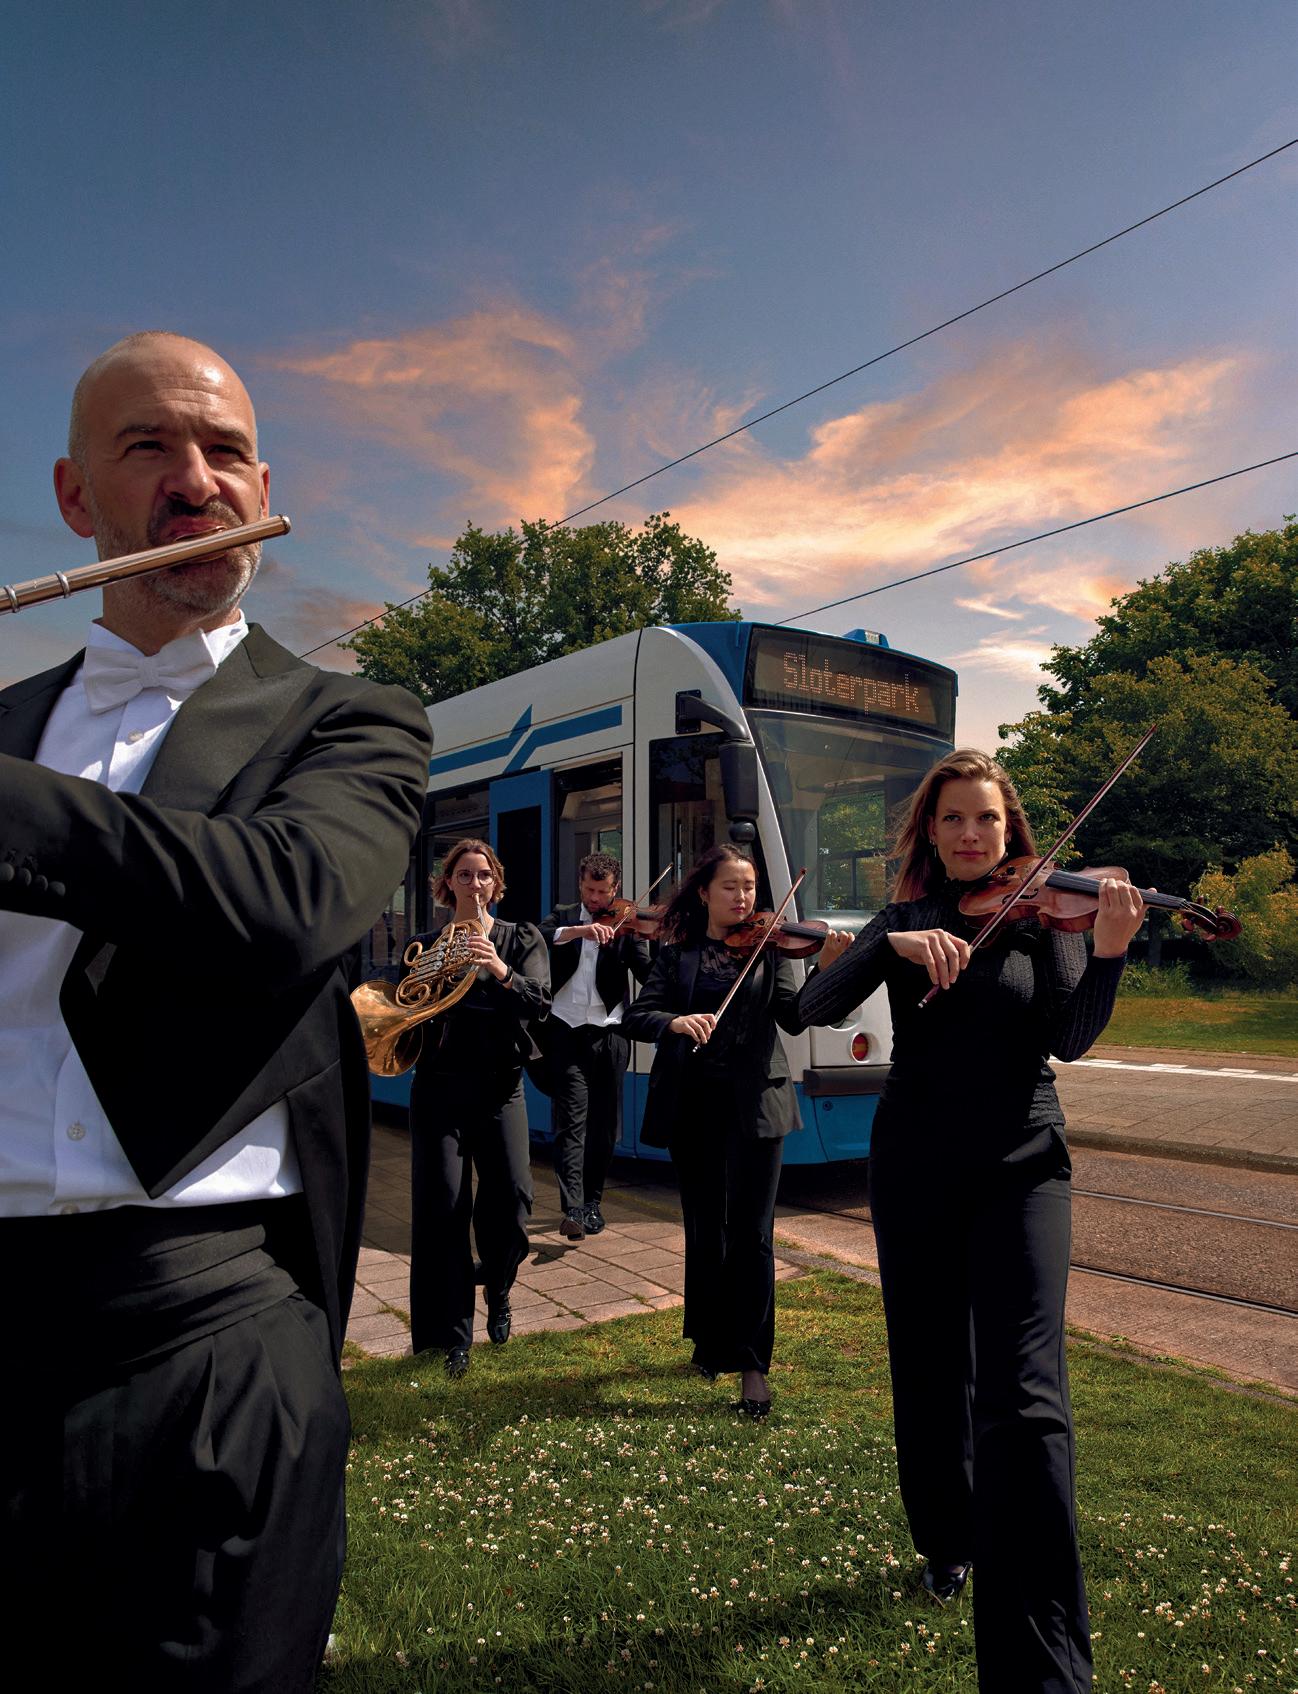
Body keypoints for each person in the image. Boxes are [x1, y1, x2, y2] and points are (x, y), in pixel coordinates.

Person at [0, 332, 432, 1691]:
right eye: (151, 448)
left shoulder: (348, 719)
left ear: (263, 486)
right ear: (75, 497)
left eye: (226, 450)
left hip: (212, 1323)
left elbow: (287, 899)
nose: (197, 480)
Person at [795, 748, 1145, 1694]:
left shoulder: (1045, 916)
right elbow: (806, 1008)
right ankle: (947, 1538)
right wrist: (890, 948)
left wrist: (1109, 952)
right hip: (915, 1164)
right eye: (952, 817)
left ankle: (1044, 1668)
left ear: (1009, 828)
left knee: (1026, 1399)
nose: (970, 834)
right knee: (929, 1366)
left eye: (986, 818)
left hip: (1024, 1161)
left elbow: (1069, 1038)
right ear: (929, 829)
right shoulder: (903, 919)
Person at [622, 844, 852, 1417]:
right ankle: (708, 1340)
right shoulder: (677, 953)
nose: (744, 897)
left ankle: (752, 1365)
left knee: (753, 1234)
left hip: (758, 1106)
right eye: (731, 886)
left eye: (749, 887)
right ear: (704, 892)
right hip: (693, 1107)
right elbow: (637, 1015)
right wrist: (675, 1021)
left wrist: (827, 969)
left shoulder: (771, 949)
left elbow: (795, 1016)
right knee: (706, 1227)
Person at [407, 837, 550, 1376]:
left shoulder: (520, 938)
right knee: (444, 1209)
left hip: (500, 1089)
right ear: (448, 884)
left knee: (512, 1200)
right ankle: (453, 1337)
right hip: (439, 1090)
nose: (474, 884)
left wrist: (501, 970)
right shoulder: (426, 945)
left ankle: (499, 1284)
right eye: (464, 875)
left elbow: (541, 1003)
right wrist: (426, 981)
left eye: (483, 875)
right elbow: (405, 1014)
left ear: (496, 883)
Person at [539, 851, 652, 1240]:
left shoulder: (626, 924)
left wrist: (665, 951)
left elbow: (648, 973)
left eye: (602, 892)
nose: (595, 898)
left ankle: (592, 1204)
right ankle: (571, 1208)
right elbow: (539, 937)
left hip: (610, 1034)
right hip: (565, 1033)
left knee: (604, 1127)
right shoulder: (564, 916)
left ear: (614, 889)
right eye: (589, 889)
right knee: (571, 1122)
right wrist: (579, 931)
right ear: (581, 884)